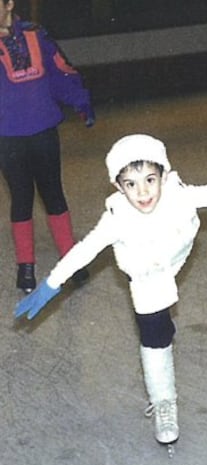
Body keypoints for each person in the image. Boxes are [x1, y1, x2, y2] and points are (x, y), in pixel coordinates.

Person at [15, 134, 207, 446]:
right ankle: (163, 402)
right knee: (155, 336)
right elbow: (83, 251)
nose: (142, 192)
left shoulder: (179, 197)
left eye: (149, 179)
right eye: (130, 184)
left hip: (177, 248)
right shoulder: (116, 220)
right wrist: (51, 284)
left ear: (165, 176)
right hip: (146, 273)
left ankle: (162, 340)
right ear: (118, 187)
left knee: (160, 325)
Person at [0, 0, 95, 293]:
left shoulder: (36, 35)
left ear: (8, 4)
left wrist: (80, 100)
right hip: (8, 136)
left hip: (43, 131)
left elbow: (60, 71)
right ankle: (25, 267)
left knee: (53, 192)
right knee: (21, 197)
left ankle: (70, 258)